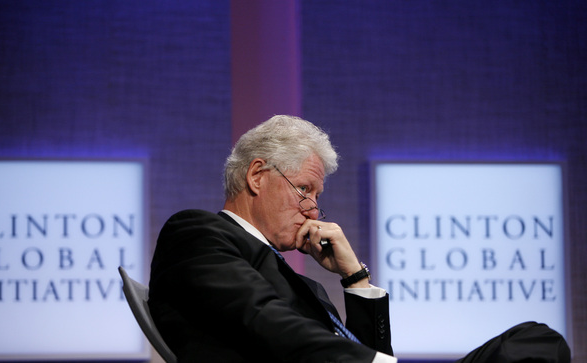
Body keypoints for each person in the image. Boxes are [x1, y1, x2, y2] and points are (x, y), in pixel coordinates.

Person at [148, 115, 570, 363]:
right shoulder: (198, 232)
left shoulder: (304, 284)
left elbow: (365, 349)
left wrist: (355, 279)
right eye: (304, 190)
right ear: (258, 176)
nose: (313, 210)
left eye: (317, 198)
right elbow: (261, 320)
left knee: (535, 340)